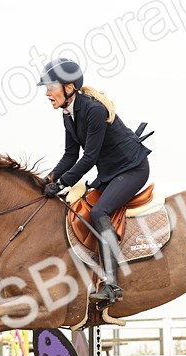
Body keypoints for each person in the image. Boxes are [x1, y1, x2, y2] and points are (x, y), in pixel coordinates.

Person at [38, 58, 151, 307]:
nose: (46, 94)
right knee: (84, 207)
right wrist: (48, 179)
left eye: (50, 87)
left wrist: (63, 183)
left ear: (69, 87)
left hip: (132, 169)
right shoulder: (69, 114)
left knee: (100, 211)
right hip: (110, 172)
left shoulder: (93, 110)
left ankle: (111, 284)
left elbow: (88, 157)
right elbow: (70, 154)